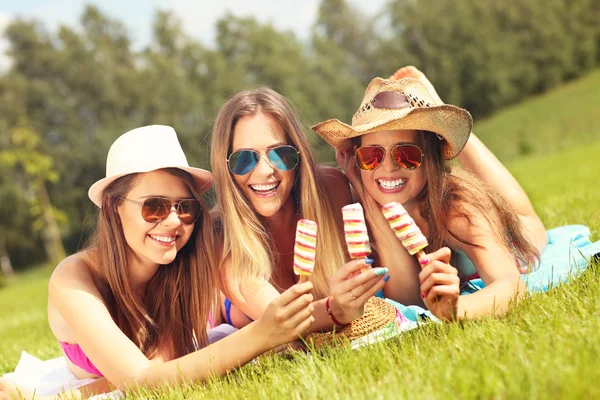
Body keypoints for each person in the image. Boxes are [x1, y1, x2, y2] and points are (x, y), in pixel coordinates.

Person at [1, 125, 315, 399]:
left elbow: (285, 317)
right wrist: (261, 335)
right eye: (154, 207)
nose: (174, 221)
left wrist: (334, 307)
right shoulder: (73, 279)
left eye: (185, 206)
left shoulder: (198, 249)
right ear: (113, 208)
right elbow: (139, 381)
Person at [312, 67, 548, 321]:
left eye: (406, 154)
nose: (388, 167)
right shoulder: (362, 203)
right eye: (371, 157)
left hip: (520, 237)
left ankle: (435, 102)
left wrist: (456, 309)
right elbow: (409, 299)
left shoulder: (457, 206)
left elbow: (513, 287)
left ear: (429, 158)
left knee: (521, 217)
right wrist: (365, 193)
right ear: (356, 160)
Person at [210, 88, 389, 331]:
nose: (265, 171)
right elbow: (285, 321)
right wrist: (337, 308)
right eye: (244, 159)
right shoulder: (217, 234)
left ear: (299, 156)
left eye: (280, 154)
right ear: (226, 166)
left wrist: (360, 188)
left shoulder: (332, 188)